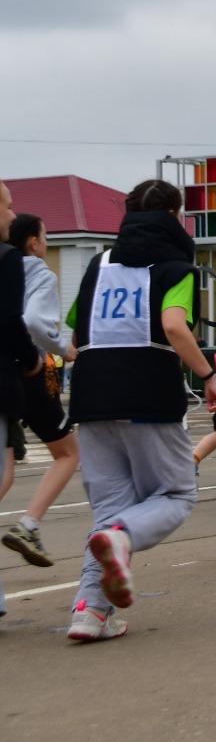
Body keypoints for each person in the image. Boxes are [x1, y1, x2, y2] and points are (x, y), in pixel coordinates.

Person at [61, 179, 216, 641]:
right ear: (174, 215)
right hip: (148, 395)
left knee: (108, 512)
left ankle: (89, 613)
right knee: (176, 494)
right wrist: (208, 376)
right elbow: (173, 326)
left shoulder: (98, 265)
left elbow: (74, 336)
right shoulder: (177, 268)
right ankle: (121, 538)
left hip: (91, 399)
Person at [1, 213, 81, 568]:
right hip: (31, 370)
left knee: (6, 468)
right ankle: (29, 525)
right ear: (33, 243)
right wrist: (64, 348)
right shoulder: (41, 273)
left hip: (4, 372)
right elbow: (33, 321)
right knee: (69, 453)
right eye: (46, 237)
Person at [0, 179, 46, 619]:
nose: (12, 215)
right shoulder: (8, 258)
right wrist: (31, 358)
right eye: (7, 206)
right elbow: (13, 319)